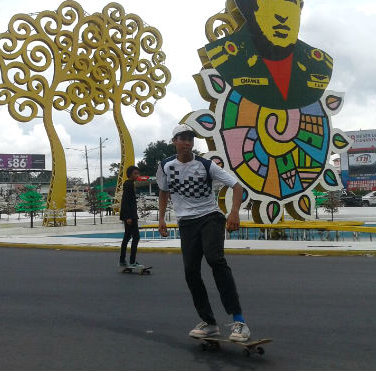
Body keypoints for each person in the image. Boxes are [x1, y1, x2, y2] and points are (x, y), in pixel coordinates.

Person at [156, 124, 251, 342]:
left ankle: (239, 322)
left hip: (210, 217)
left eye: (190, 139)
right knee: (190, 271)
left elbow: (237, 186)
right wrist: (161, 218)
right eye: (183, 138)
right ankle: (209, 323)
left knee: (215, 259)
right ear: (174, 141)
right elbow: (163, 191)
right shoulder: (165, 166)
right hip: (187, 223)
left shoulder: (205, 165)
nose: (187, 142)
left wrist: (234, 213)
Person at [202, 0, 332, 110]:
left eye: (291, 1)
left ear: (300, 7)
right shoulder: (224, 57)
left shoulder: (320, 64)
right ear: (249, 7)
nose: (282, 15)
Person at [119, 165, 141, 268]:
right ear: (130, 174)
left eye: (138, 173)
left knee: (127, 237)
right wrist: (128, 217)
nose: (137, 175)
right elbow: (126, 202)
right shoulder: (128, 184)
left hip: (130, 215)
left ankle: (122, 260)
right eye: (135, 173)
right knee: (136, 237)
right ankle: (132, 261)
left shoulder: (130, 183)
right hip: (130, 216)